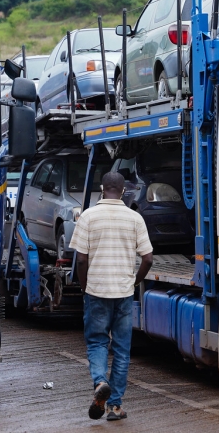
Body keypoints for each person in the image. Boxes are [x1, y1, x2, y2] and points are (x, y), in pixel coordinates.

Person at [70, 170, 153, 421]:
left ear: (102, 189)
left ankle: (99, 383)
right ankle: (115, 406)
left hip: (96, 291)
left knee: (97, 342)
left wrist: (84, 286)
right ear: (124, 190)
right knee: (121, 349)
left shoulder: (88, 217)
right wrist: (134, 281)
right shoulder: (134, 218)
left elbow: (81, 260)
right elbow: (148, 258)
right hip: (123, 292)